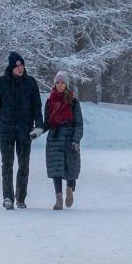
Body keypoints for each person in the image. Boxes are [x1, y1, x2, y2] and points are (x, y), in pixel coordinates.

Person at [0, 52, 43, 210]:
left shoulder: (31, 83)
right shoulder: (1, 83)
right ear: (11, 66)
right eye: (17, 66)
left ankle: (20, 198)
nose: (20, 68)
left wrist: (38, 126)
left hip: (25, 130)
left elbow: (37, 108)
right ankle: (7, 197)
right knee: (7, 164)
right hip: (6, 130)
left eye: (22, 65)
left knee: (24, 165)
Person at [43, 70, 84, 210]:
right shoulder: (50, 101)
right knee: (56, 168)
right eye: (58, 82)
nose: (60, 85)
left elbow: (79, 123)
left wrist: (76, 140)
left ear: (66, 84)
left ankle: (69, 190)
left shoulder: (73, 102)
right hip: (55, 137)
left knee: (71, 167)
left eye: (62, 82)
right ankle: (58, 196)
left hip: (69, 136)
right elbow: (47, 121)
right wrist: (37, 131)